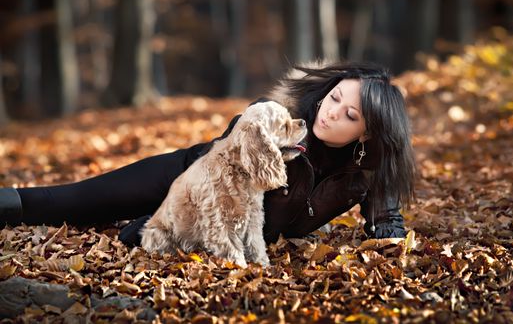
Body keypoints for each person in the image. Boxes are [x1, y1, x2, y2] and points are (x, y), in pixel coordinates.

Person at [0, 60, 416, 246]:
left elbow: (387, 224)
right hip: (186, 176)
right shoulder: (273, 121)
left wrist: (393, 242)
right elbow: (222, 183)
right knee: (70, 202)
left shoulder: (367, 171)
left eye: (350, 114)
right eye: (334, 96)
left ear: (367, 132)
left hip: (219, 225)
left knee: (129, 234)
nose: (331, 112)